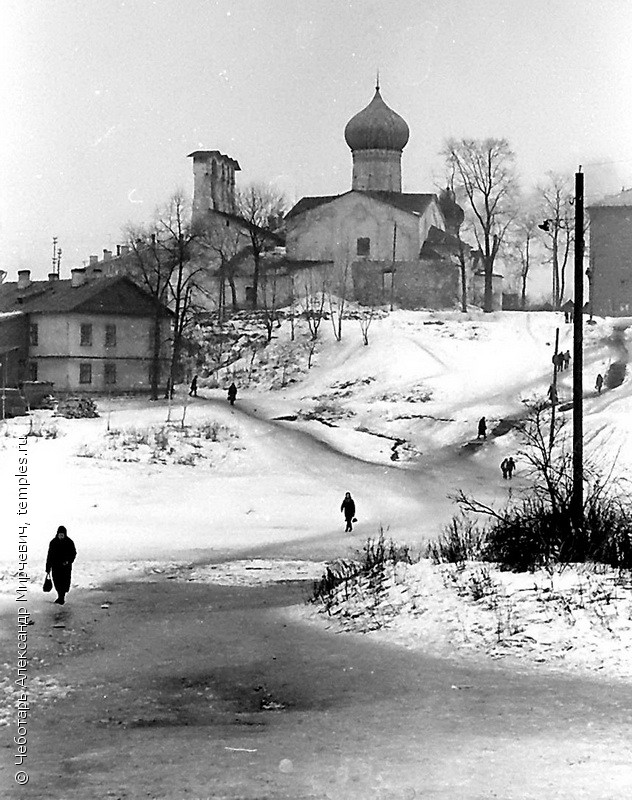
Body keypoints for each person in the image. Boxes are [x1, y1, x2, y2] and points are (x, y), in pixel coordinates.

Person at [45, 526, 76, 605]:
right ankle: (60, 596)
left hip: (66, 566)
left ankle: (61, 597)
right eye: (60, 534)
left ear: (65, 534)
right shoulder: (53, 542)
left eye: (62, 534)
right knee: (57, 581)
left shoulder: (69, 542)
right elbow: (50, 555)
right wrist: (48, 567)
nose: (61, 536)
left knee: (64, 582)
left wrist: (68, 561)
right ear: (57, 534)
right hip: (55, 566)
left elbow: (73, 553)